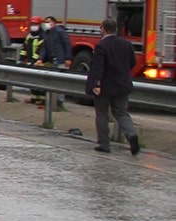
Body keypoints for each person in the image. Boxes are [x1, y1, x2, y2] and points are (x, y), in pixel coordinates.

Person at [85, 16, 140, 155]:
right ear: (115, 30)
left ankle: (104, 144)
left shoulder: (101, 46)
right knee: (122, 113)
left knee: (102, 114)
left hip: (104, 86)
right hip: (122, 85)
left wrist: (96, 83)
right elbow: (132, 62)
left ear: (102, 30)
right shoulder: (126, 44)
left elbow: (98, 67)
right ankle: (132, 135)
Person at [40, 15, 73, 109]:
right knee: (53, 81)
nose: (46, 24)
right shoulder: (46, 33)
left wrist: (68, 58)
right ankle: (52, 103)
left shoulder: (60, 32)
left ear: (54, 23)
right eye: (45, 22)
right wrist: (40, 59)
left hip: (61, 60)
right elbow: (44, 48)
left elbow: (67, 44)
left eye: (48, 21)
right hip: (53, 60)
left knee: (60, 81)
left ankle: (60, 102)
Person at [18, 17, 46, 104]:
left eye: (35, 24)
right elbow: (25, 47)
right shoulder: (30, 35)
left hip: (39, 62)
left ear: (40, 25)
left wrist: (34, 60)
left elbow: (41, 49)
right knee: (32, 80)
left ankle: (42, 99)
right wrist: (22, 58)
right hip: (30, 60)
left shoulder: (42, 36)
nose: (34, 26)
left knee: (40, 80)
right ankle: (34, 98)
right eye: (32, 24)